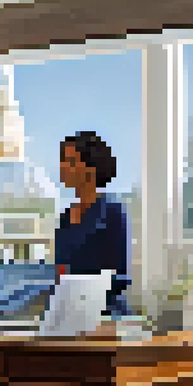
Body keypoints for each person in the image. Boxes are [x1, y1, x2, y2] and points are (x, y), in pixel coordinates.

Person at [54, 131, 133, 317]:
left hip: (104, 311)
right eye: (62, 160)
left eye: (71, 161)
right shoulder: (65, 218)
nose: (62, 167)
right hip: (69, 310)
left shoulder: (112, 212)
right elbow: (60, 271)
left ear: (91, 168)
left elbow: (120, 276)